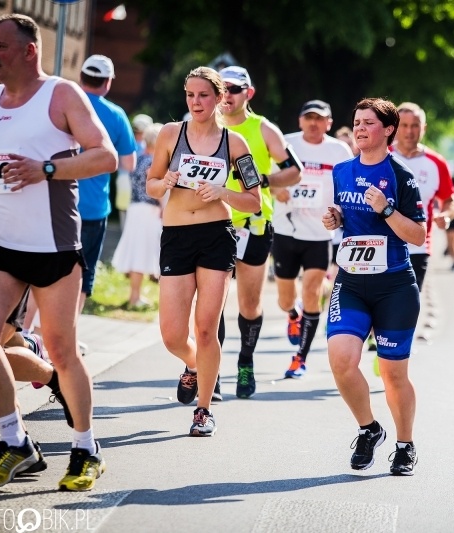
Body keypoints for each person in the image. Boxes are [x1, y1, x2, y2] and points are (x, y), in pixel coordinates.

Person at [0, 14, 117, 490]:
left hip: (50, 244)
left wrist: (47, 169)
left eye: (2, 46)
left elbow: (105, 155)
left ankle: (85, 448)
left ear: (30, 49)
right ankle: (16, 442)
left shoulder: (61, 94)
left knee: (61, 350)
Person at [146, 66, 261, 436]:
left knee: (207, 327)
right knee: (172, 335)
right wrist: (164, 182)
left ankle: (204, 409)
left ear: (218, 99)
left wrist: (224, 192)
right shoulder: (169, 134)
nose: (196, 102)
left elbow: (253, 201)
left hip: (216, 235)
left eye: (204, 96)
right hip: (176, 236)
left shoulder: (235, 144)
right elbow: (149, 185)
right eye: (190, 95)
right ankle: (194, 365)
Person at [322, 98, 426, 475]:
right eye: (357, 122)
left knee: (393, 373)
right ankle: (369, 429)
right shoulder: (341, 171)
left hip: (394, 286)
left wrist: (386, 210)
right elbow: (344, 216)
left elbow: (418, 235)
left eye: (369, 122)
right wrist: (335, 218)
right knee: (341, 361)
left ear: (388, 130)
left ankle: (405, 444)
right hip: (350, 282)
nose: (361, 128)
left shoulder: (401, 176)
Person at [216, 65, 301, 398]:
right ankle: (213, 373)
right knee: (213, 304)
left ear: (248, 93)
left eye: (234, 89)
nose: (227, 95)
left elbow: (295, 170)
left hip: (253, 224)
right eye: (221, 88)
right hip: (214, 223)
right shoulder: (206, 125)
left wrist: (265, 180)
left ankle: (246, 363)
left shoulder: (263, 129)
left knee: (248, 304)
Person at [273, 100, 354, 378]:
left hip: (320, 233)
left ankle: (300, 358)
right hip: (285, 229)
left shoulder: (339, 150)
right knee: (285, 299)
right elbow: (266, 176)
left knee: (311, 292)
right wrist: (276, 189)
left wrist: (341, 214)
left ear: (328, 123)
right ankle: (292, 315)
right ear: (300, 121)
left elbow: (347, 187)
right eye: (308, 118)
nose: (313, 123)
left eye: (319, 119)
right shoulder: (285, 143)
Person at [77, 54, 137, 312]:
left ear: (81, 77)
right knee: (83, 272)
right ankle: (70, 333)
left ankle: (33, 332)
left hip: (54, 202)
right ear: (108, 83)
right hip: (93, 207)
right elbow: (129, 165)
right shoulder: (116, 114)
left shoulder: (61, 103)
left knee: (45, 267)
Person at [391, 102, 454, 290]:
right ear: (395, 127)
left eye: (415, 125)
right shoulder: (381, 156)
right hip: (381, 246)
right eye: (404, 125)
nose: (409, 131)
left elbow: (450, 199)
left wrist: (446, 215)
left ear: (424, 128)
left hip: (417, 248)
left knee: (406, 312)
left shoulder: (436, 163)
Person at [112, 123, 163, 308]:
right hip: (147, 212)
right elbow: (157, 191)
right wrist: (165, 208)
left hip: (135, 209)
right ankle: (135, 298)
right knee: (142, 254)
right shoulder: (153, 163)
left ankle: (134, 296)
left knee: (136, 254)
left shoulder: (140, 158)